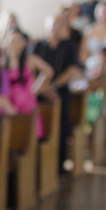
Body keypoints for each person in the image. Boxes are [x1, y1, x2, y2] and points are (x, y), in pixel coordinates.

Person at [34, 12, 83, 169]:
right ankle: (39, 165)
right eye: (52, 24)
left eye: (58, 24)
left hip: (60, 92)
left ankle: (59, 166)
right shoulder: (38, 46)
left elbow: (71, 69)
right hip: (40, 93)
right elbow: (33, 68)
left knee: (61, 128)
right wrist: (44, 88)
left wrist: (54, 85)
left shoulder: (69, 45)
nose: (55, 28)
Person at [2, 30, 50, 139]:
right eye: (12, 41)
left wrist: (36, 88)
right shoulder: (2, 63)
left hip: (27, 104)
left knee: (29, 137)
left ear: (24, 43)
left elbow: (48, 71)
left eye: (18, 41)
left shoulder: (30, 59)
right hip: (10, 104)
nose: (15, 44)